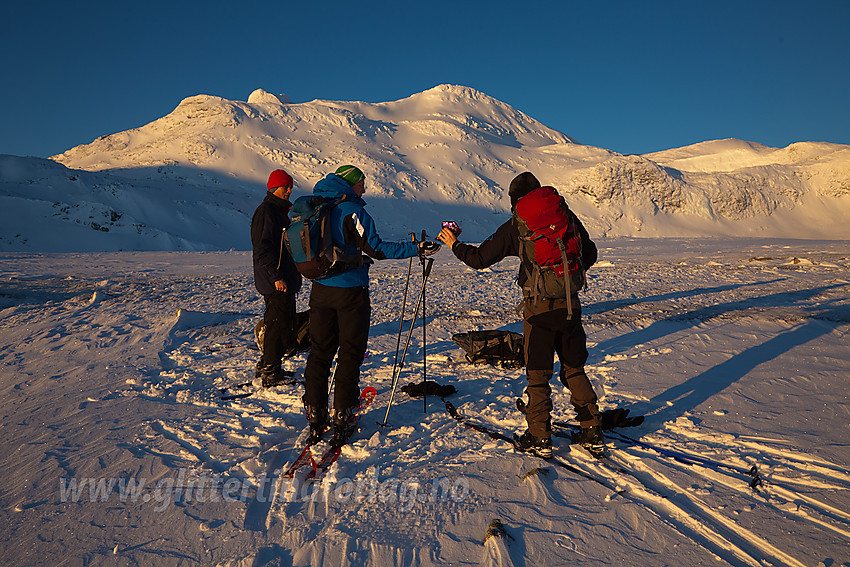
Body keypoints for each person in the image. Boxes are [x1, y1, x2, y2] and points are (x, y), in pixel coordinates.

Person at [437, 171, 601, 459]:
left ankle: (539, 436)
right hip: (571, 305)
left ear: (515, 201)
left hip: (538, 309)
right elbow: (589, 254)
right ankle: (592, 430)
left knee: (537, 375)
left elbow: (479, 259)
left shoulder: (517, 225)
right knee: (574, 368)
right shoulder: (565, 216)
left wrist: (454, 245)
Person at [303, 165, 437, 446]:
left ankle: (315, 414)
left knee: (320, 353)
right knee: (350, 353)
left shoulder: (317, 205)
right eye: (362, 183)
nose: (365, 188)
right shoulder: (352, 211)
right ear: (350, 185)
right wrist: (416, 248)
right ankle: (342, 414)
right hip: (350, 292)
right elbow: (376, 248)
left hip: (320, 291)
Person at [251, 169, 303, 387]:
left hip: (283, 279)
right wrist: (276, 277)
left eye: (290, 187)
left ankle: (267, 366)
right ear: (273, 188)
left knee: (281, 323)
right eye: (285, 187)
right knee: (276, 325)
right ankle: (270, 372)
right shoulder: (267, 212)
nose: (289, 191)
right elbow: (263, 249)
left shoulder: (279, 211)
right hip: (276, 281)